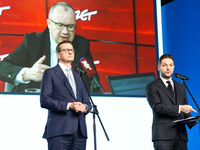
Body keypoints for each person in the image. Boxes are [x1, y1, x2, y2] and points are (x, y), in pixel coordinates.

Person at [0, 2, 100, 93]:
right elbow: (2, 67)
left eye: (70, 26)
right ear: (49, 24)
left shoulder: (81, 44)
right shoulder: (33, 42)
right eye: (60, 25)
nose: (65, 32)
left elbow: (93, 81)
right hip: (34, 102)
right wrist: (27, 73)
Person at [40, 40, 92, 150]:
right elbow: (45, 100)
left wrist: (85, 107)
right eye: (66, 50)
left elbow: (87, 101)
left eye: (72, 50)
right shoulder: (50, 73)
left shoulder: (79, 76)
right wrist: (69, 106)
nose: (70, 52)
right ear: (58, 54)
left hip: (80, 132)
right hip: (59, 130)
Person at [146, 54, 197, 150]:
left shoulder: (181, 87)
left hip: (180, 135)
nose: (168, 68)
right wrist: (180, 108)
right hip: (163, 136)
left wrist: (195, 120)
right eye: (164, 65)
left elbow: (185, 111)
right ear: (159, 67)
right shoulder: (152, 86)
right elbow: (157, 107)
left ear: (173, 67)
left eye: (170, 65)